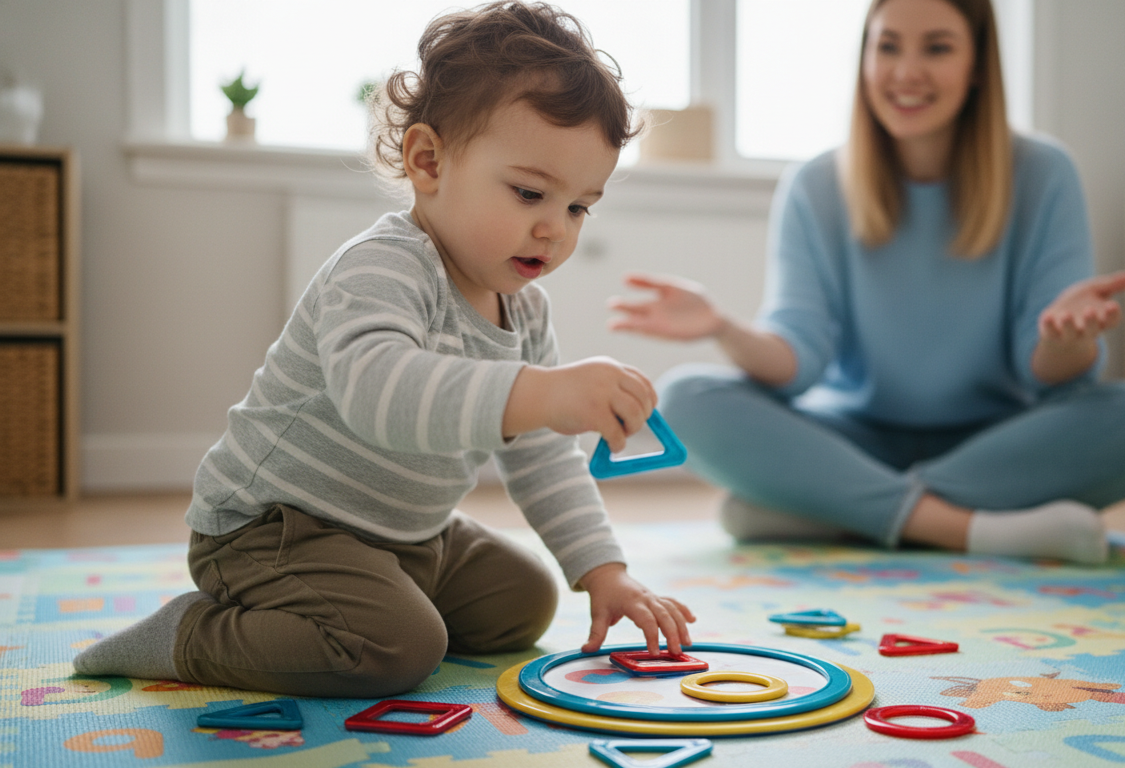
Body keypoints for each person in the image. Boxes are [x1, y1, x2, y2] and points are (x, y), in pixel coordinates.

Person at [73, 1, 694, 698]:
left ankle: (379, 592)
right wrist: (544, 393)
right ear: (428, 161)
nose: (554, 229)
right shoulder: (382, 266)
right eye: (528, 193)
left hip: (403, 533)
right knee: (397, 649)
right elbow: (381, 394)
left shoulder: (525, 309)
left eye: (579, 207)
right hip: (275, 527)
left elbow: (541, 454)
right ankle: (191, 634)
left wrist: (604, 571)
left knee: (525, 601)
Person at [609, 0, 1125, 564]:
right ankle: (964, 527)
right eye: (888, 47)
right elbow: (797, 361)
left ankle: (827, 511)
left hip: (997, 440)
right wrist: (722, 328)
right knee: (686, 400)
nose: (906, 72)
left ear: (978, 63)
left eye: (937, 47)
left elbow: (1051, 373)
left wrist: (1068, 337)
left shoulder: (1044, 173)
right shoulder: (816, 186)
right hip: (854, 438)